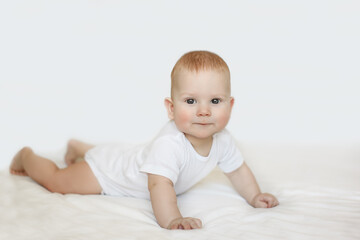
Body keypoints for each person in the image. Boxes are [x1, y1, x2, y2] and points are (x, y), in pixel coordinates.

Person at [10, 50, 279, 230]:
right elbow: (159, 186)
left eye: (215, 101)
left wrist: (254, 195)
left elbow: (238, 170)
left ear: (231, 105)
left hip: (130, 155)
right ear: (171, 108)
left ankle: (79, 146)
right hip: (109, 173)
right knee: (58, 182)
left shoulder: (224, 140)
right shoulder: (169, 145)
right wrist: (173, 220)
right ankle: (27, 155)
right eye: (190, 101)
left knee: (123, 154)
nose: (204, 110)